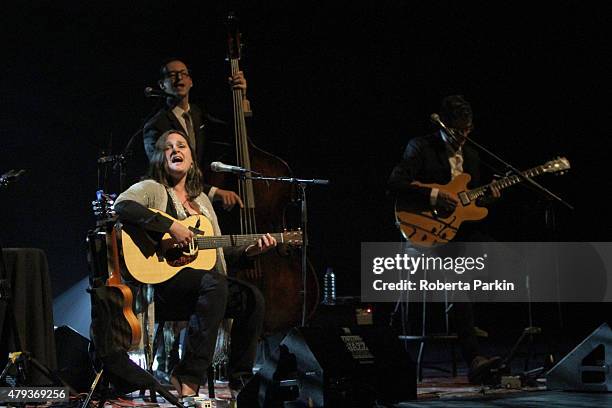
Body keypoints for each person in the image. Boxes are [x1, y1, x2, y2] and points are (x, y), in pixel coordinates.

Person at [115, 129, 276, 398]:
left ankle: (241, 382)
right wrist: (171, 226)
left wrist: (250, 252)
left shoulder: (202, 201)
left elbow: (215, 252)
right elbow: (122, 206)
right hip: (164, 288)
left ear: (192, 158)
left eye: (182, 145)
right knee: (215, 285)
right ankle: (187, 374)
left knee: (252, 297)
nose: (175, 150)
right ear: (160, 157)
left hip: (205, 291)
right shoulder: (152, 189)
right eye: (168, 147)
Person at [387, 95, 501, 384]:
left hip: (457, 235)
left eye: (468, 130)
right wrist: (435, 194)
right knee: (457, 276)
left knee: (493, 252)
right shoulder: (421, 147)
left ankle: (465, 314)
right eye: (457, 130)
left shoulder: (473, 156)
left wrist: (490, 195)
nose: (463, 136)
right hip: (424, 236)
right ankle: (474, 356)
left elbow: (470, 205)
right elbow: (395, 183)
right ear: (444, 125)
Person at [143, 58, 246, 210]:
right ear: (161, 85)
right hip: (175, 204)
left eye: (183, 73)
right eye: (172, 75)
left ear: (191, 81)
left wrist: (241, 96)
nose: (179, 78)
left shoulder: (200, 114)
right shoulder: (155, 126)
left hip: (203, 201)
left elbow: (233, 132)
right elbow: (166, 173)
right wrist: (213, 191)